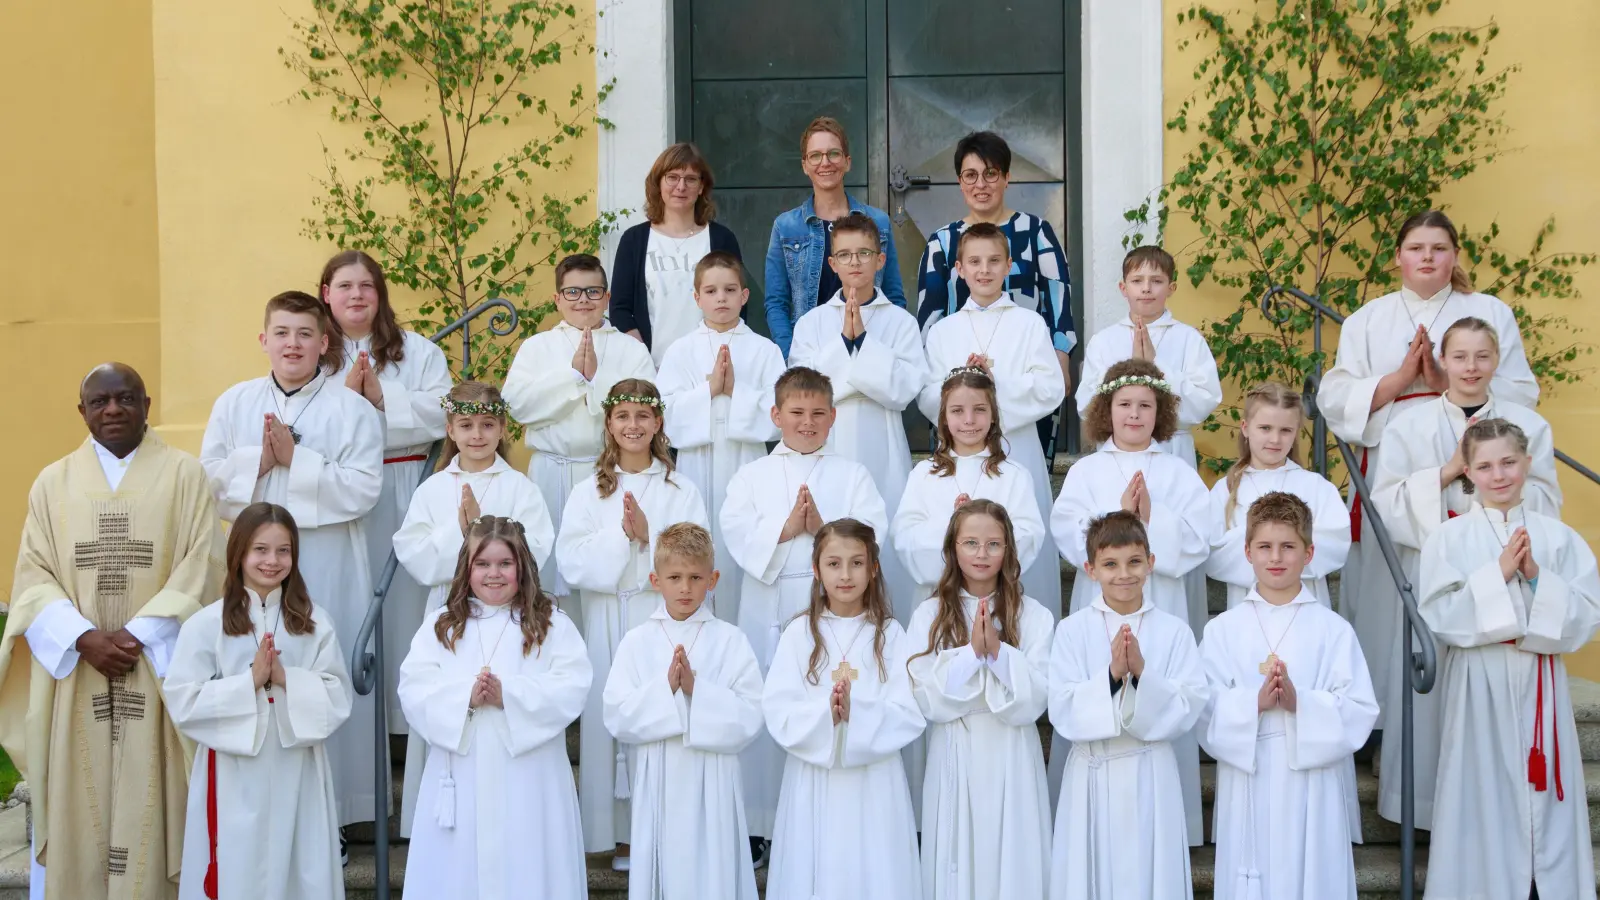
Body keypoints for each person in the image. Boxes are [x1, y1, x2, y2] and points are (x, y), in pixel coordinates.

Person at [0, 362, 222, 900]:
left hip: (156, 665)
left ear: (148, 404)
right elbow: (33, 575)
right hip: (78, 669)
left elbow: (204, 562)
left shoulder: (185, 475)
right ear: (82, 412)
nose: (113, 410)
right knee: (82, 799)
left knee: (155, 798)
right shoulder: (53, 482)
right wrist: (83, 638)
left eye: (126, 398)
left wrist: (139, 635)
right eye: (100, 402)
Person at [1317, 209, 1538, 717]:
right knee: (1385, 590)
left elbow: (1522, 391)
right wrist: (1397, 381)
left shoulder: (1487, 310)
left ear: (1455, 255)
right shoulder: (1367, 319)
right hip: (1398, 465)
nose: (1427, 258)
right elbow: (1335, 395)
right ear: (1398, 257)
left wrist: (1450, 385)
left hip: (1475, 455)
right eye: (1416, 248)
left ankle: (1469, 708)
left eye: (1439, 249)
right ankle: (1381, 717)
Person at [200, 291, 384, 849]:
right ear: (264, 341)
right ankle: (256, 811)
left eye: (305, 334)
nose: (293, 344)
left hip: (325, 560)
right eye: (281, 333)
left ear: (324, 342)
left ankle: (337, 815)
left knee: (319, 672)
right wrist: (258, 459)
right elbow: (208, 479)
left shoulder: (351, 408)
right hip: (253, 568)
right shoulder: (234, 402)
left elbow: (365, 487)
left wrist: (294, 461)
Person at [1369, 315, 1561, 831]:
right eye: (1459, 357)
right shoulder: (1408, 426)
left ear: (1497, 361)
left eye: (1482, 356)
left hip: (1510, 573)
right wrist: (1448, 472)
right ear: (1441, 363)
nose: (1471, 368)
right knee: (1433, 696)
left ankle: (1500, 820)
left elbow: (1546, 500)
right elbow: (1385, 504)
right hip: (1438, 572)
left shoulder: (1531, 426)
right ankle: (1434, 818)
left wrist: (1499, 514)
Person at [1417, 418, 1600, 900]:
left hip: (1541, 676)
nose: (1498, 475)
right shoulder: (1448, 540)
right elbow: (1438, 615)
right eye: (1485, 466)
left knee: (1546, 805)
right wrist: (1496, 574)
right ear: (1468, 473)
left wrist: (1539, 577)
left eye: (1508, 463)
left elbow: (1588, 613)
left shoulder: (1557, 537)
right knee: (1482, 793)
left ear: (1527, 463)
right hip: (1480, 679)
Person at [719, 366, 888, 862]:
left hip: (835, 612)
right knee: (771, 702)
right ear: (776, 415)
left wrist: (822, 529)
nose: (807, 423)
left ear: (834, 417)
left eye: (818, 414)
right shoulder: (752, 474)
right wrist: (785, 526)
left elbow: (872, 531)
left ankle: (816, 819)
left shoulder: (852, 473)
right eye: (796, 413)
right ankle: (760, 820)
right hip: (767, 605)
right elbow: (735, 529)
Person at [554, 379, 711, 867]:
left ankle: (663, 832)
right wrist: (621, 542)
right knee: (612, 722)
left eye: (643, 416)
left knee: (662, 717)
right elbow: (571, 561)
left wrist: (649, 539)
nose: (633, 426)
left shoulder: (680, 488)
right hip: (607, 614)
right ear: (608, 424)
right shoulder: (588, 490)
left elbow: (699, 552)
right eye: (623, 416)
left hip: (658, 618)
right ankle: (617, 835)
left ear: (658, 423)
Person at [391, 381, 555, 835]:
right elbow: (414, 554)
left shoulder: (519, 487)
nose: (477, 434)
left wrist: (483, 539)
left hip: (510, 621)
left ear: (503, 428)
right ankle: (443, 818)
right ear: (450, 428)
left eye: (487, 424)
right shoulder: (433, 489)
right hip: (452, 614)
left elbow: (538, 545)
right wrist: (459, 535)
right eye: (466, 425)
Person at [165, 503, 352, 900]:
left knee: (299, 868)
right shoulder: (206, 624)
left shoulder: (314, 622)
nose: (272, 561)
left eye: (283, 550)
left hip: (296, 766)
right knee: (237, 870)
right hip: (233, 773)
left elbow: (337, 694)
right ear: (239, 554)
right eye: (260, 549)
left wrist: (287, 679)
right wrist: (247, 683)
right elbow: (183, 699)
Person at [398, 516, 592, 899]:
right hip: (461, 772)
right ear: (465, 570)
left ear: (523, 567)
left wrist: (510, 697)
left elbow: (572, 683)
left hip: (530, 775)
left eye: (505, 564)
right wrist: (465, 699)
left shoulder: (550, 625)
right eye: (482, 564)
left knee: (528, 865)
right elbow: (414, 687)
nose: (494, 574)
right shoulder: (442, 626)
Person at [1199, 492, 1378, 900]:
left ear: (1309, 552)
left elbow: (1359, 708)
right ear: (1247, 552)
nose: (1275, 557)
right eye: (1264, 546)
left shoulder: (1333, 629)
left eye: (1288, 546)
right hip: (1249, 774)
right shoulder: (1222, 630)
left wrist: (1303, 705)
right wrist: (1253, 704)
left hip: (1312, 781)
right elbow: (1203, 709)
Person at [320, 250, 452, 738]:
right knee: (354, 603)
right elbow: (310, 429)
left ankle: (402, 726)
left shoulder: (417, 351)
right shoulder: (312, 351)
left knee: (403, 607)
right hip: (341, 492)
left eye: (367, 286)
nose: (356, 295)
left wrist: (377, 403)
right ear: (326, 295)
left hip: (404, 487)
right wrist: (358, 414)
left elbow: (444, 413)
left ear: (380, 295)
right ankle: (358, 728)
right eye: (345, 286)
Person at [602, 523, 765, 900]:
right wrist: (665, 689)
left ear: (714, 579)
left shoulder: (730, 640)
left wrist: (696, 690)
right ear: (655, 579)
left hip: (714, 782)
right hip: (658, 780)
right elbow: (616, 713)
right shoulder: (637, 641)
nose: (686, 588)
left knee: (714, 873)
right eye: (675, 577)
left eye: (696, 577)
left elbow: (752, 715)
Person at [763, 519, 924, 900]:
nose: (846, 575)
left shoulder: (890, 635)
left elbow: (909, 710)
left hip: (875, 783)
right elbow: (778, 708)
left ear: (874, 569)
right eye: (834, 564)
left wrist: (859, 713)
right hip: (813, 780)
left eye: (856, 563)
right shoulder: (799, 634)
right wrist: (826, 715)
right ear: (816, 569)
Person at [1050, 511, 1207, 900]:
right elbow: (1061, 706)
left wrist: (1140, 673)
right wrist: (1110, 676)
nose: (1124, 574)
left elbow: (1189, 703)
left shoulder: (1174, 631)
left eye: (1135, 562)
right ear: (1090, 570)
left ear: (1151, 564)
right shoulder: (1072, 631)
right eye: (1110, 564)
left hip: (1149, 772)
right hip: (1092, 771)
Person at [906, 501, 1053, 900]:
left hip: (1012, 751)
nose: (982, 554)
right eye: (971, 543)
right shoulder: (929, 615)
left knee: (1011, 856)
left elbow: (1039, 693)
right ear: (953, 548)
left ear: (1009, 550)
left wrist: (1000, 655)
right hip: (956, 746)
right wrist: (972, 655)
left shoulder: (1034, 615)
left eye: (993, 544)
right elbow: (922, 694)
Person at [918, 223, 1066, 615]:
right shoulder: (943, 331)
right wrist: (964, 392)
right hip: (958, 457)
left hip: (1017, 452)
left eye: (994, 261)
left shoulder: (1030, 324)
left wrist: (993, 386)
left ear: (1009, 266)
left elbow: (1051, 388)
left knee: (1021, 535)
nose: (984, 270)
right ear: (959, 270)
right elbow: (927, 395)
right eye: (975, 262)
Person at [787, 211, 928, 621]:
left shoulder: (900, 323)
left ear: (880, 260)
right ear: (831, 263)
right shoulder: (812, 323)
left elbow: (903, 393)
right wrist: (847, 348)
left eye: (863, 253)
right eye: (844, 255)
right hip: (827, 449)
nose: (854, 263)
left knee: (883, 536)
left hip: (883, 447)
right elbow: (807, 391)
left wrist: (861, 343)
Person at [503, 253, 656, 608]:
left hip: (608, 473)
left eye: (592, 291)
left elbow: (645, 407)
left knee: (605, 574)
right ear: (557, 299)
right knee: (546, 575)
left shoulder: (630, 349)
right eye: (572, 292)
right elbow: (516, 405)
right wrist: (573, 378)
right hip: (550, 472)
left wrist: (594, 381)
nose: (583, 300)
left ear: (606, 297)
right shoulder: (536, 347)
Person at [913, 130, 1075, 453]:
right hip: (957, 375)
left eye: (990, 174)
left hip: (1024, 370)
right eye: (970, 175)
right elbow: (929, 315)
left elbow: (1058, 299)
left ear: (1006, 178)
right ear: (960, 182)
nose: (981, 184)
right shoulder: (943, 242)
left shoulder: (1035, 233)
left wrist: (1060, 365)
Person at [657, 251, 787, 624]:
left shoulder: (765, 350)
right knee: (700, 542)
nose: (721, 298)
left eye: (730, 290)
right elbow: (664, 413)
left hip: (747, 461)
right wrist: (709, 390)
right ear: (696, 297)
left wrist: (738, 395)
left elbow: (780, 414)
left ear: (745, 296)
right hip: (697, 465)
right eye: (711, 291)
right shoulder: (680, 351)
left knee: (743, 545)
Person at [1052, 359, 1210, 627]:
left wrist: (1152, 518)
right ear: (1107, 410)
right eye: (1124, 404)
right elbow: (1066, 530)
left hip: (1161, 598)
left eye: (1145, 405)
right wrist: (1121, 519)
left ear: (1159, 412)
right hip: (1099, 596)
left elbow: (1199, 538)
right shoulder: (1085, 470)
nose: (1134, 414)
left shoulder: (1179, 472)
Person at [894, 367, 1044, 606]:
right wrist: (953, 527)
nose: (969, 420)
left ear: (994, 414)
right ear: (943, 416)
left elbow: (1029, 535)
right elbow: (905, 538)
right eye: (957, 411)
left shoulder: (1014, 475)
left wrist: (982, 537)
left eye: (980, 410)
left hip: (996, 599)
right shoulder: (923, 474)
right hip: (938, 599)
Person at [763, 116, 906, 357]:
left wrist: (883, 352)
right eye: (815, 155)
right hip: (811, 355)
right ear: (805, 165)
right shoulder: (786, 227)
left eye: (834, 154)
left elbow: (894, 297)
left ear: (848, 162)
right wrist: (792, 357)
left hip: (869, 349)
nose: (825, 162)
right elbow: (776, 303)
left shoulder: (878, 223)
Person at [1074, 246, 1221, 469]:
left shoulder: (1188, 338)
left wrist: (1156, 365)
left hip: (1171, 448)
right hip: (1115, 453)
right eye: (1137, 281)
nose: (1146, 289)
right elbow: (1086, 405)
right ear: (1123, 288)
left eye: (1156, 281)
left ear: (1171, 288)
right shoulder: (1104, 341)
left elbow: (1204, 401)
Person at [1206, 382, 1350, 608]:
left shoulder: (1314, 487)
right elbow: (1213, 554)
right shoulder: (1225, 489)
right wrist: (1285, 541)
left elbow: (1336, 543)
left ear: (1296, 433)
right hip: (1248, 606)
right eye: (1265, 428)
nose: (1275, 439)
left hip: (1305, 606)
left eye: (1285, 430)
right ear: (1245, 428)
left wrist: (1261, 543)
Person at [609, 143, 744, 365]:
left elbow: (738, 304)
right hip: (650, 367)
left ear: (701, 187)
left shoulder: (721, 239)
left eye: (690, 179)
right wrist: (642, 360)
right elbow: (620, 309)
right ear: (658, 183)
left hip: (709, 366)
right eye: (672, 177)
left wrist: (722, 356)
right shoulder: (634, 241)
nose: (681, 186)